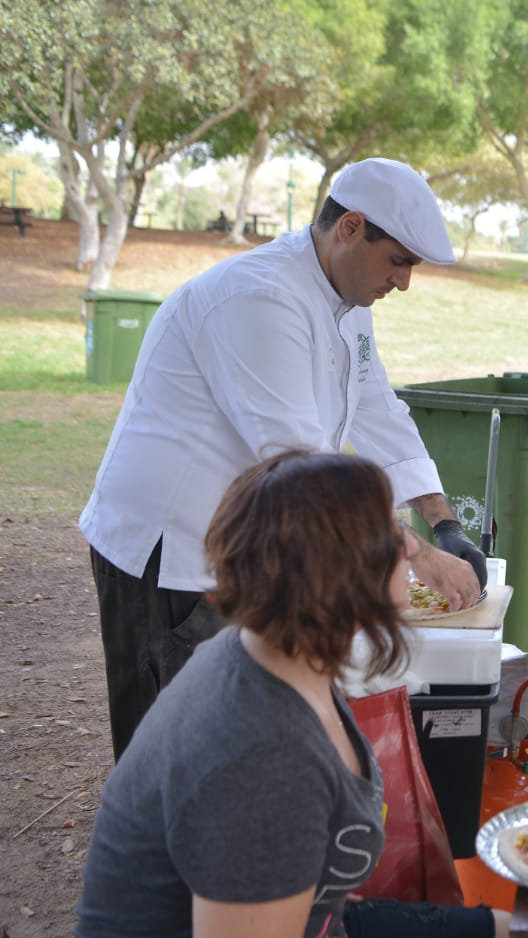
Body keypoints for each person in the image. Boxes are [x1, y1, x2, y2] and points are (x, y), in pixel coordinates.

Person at [79, 157, 487, 759]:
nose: (403, 282)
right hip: (168, 552)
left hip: (238, 549)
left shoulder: (348, 302)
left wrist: (444, 521)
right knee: (169, 752)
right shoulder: (258, 298)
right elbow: (302, 468)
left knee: (234, 744)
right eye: (398, 261)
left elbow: (379, 411)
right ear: (350, 227)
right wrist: (418, 556)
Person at [71, 450, 511, 938]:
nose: (410, 546)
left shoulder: (279, 657)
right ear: (342, 574)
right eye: (391, 533)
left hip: (309, 926)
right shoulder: (260, 753)